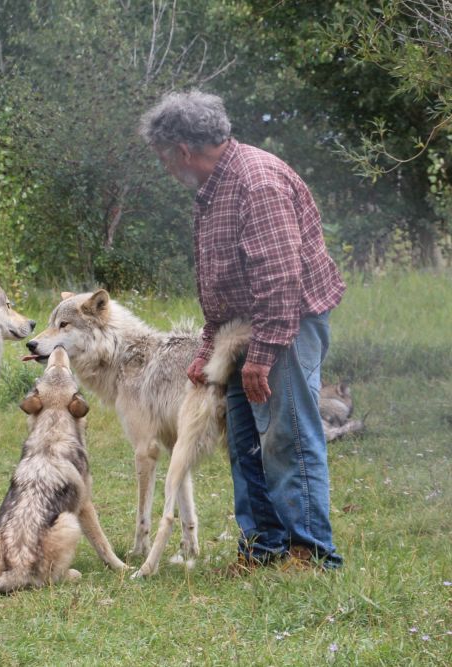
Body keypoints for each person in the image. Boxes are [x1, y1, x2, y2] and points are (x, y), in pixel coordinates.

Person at [138, 90, 345, 572]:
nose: (166, 169)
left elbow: (280, 281)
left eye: (165, 158)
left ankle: (311, 552)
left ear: (183, 151)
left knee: (286, 435)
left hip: (286, 324)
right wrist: (209, 348)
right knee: (245, 440)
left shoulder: (257, 182)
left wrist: (263, 355)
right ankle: (263, 546)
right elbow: (223, 281)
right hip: (238, 331)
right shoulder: (212, 189)